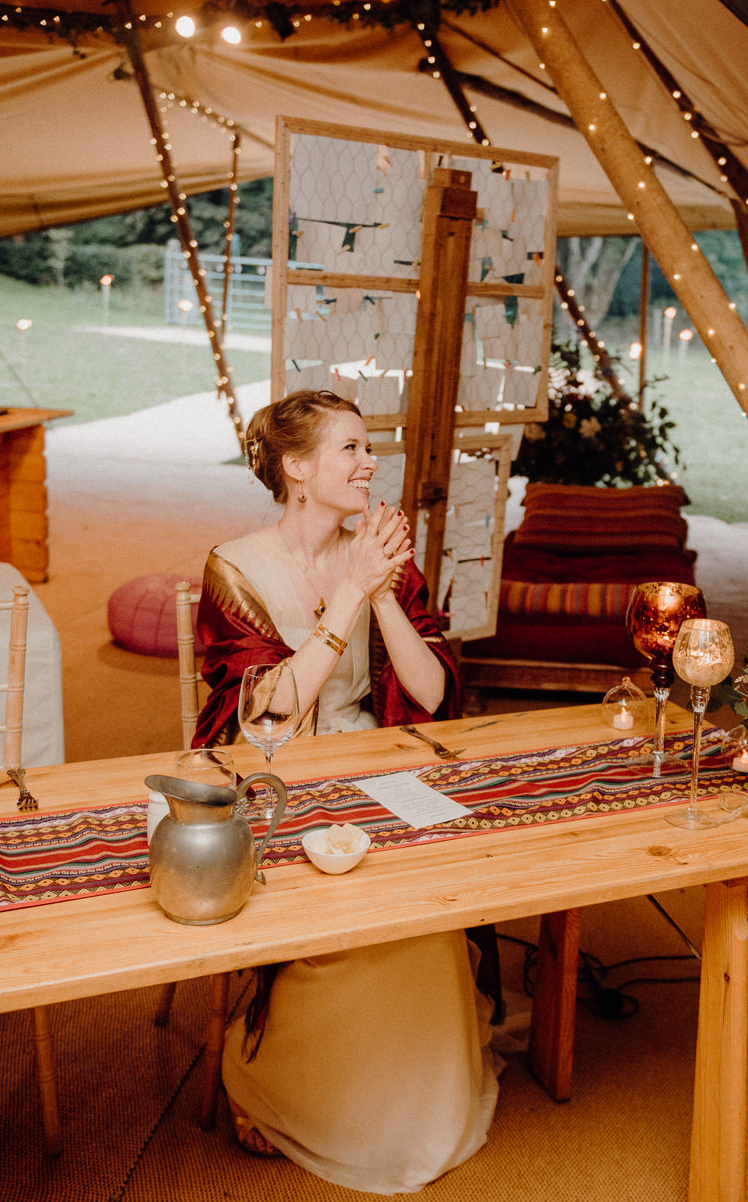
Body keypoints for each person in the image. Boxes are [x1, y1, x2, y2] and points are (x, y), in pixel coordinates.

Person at [194, 390, 499, 1193]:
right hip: (273, 773)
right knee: (336, 905)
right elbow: (269, 710)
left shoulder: (376, 554)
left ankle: (413, 1106)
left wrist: (383, 590)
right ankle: (284, 1081)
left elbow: (431, 696)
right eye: (352, 449)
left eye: (370, 449)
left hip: (373, 765)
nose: (371, 464)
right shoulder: (234, 566)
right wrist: (346, 595)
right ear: (297, 468)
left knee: (427, 898)